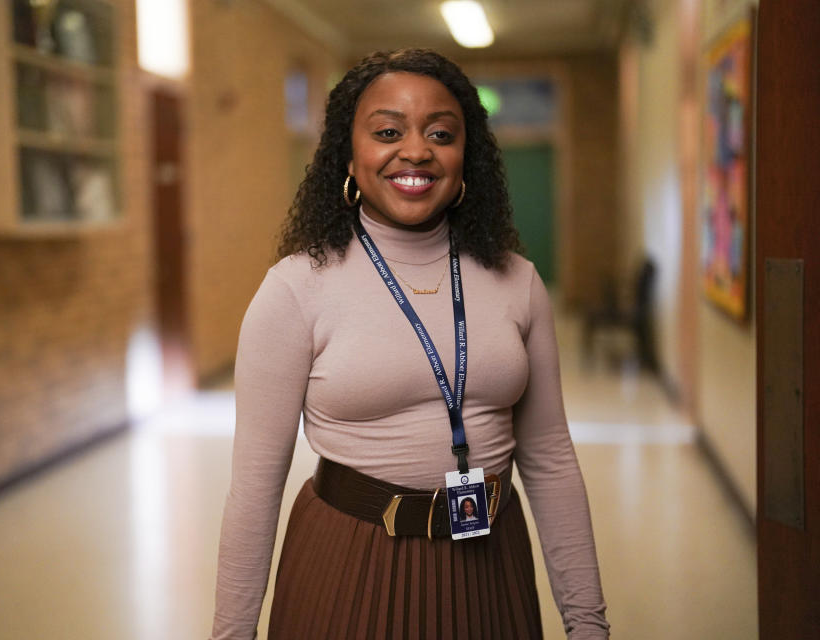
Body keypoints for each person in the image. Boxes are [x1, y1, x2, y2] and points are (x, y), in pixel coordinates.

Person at [211, 48, 609, 639]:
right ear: (349, 154)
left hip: (490, 563)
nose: (416, 150)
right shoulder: (297, 288)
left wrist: (588, 624)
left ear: (464, 154)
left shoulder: (517, 280)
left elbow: (549, 458)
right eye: (388, 131)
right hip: (349, 564)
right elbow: (255, 484)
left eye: (441, 133)